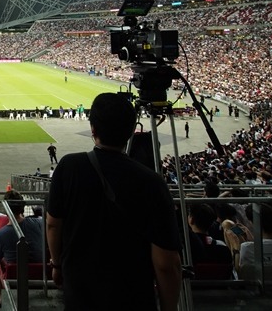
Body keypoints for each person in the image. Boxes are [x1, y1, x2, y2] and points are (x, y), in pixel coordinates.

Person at [45, 92, 181, 311]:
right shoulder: (153, 182)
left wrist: (57, 265)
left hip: (81, 291)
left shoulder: (69, 167)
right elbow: (166, 263)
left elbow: (53, 224)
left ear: (93, 129)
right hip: (133, 296)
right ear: (132, 131)